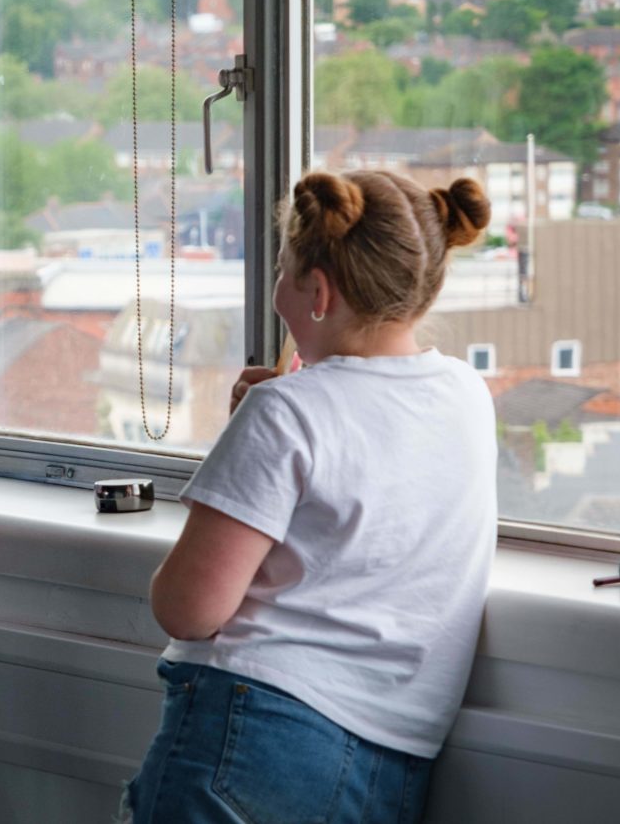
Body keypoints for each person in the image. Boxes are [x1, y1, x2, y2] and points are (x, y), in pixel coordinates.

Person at [124, 169, 496, 824]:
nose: (276, 292)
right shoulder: (467, 396)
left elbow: (187, 608)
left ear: (317, 292)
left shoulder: (285, 413)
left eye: (282, 271)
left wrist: (259, 423)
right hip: (393, 764)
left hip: (253, 736)